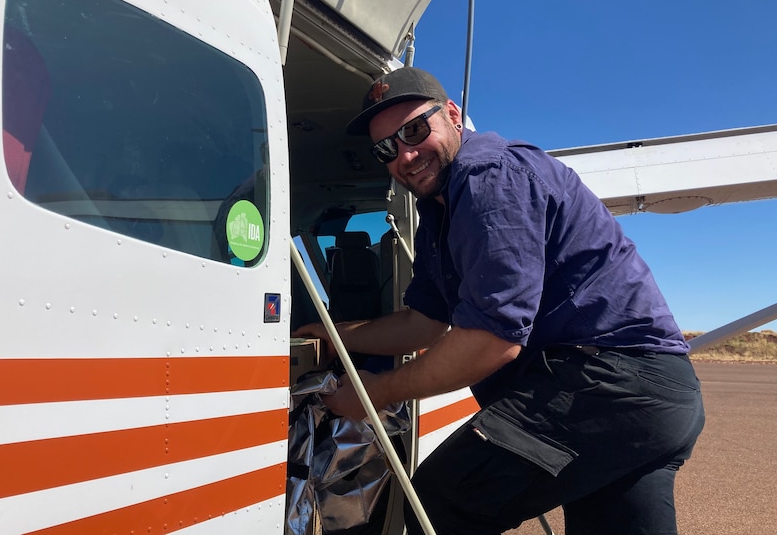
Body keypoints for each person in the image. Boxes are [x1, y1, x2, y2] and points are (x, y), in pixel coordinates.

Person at [294, 67, 704, 534]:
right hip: (654, 400)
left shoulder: (488, 176)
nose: (405, 154)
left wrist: (374, 395)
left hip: (609, 385)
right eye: (386, 148)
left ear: (451, 115)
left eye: (413, 130)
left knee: (444, 501)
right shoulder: (438, 208)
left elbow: (493, 339)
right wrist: (336, 335)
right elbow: (425, 322)